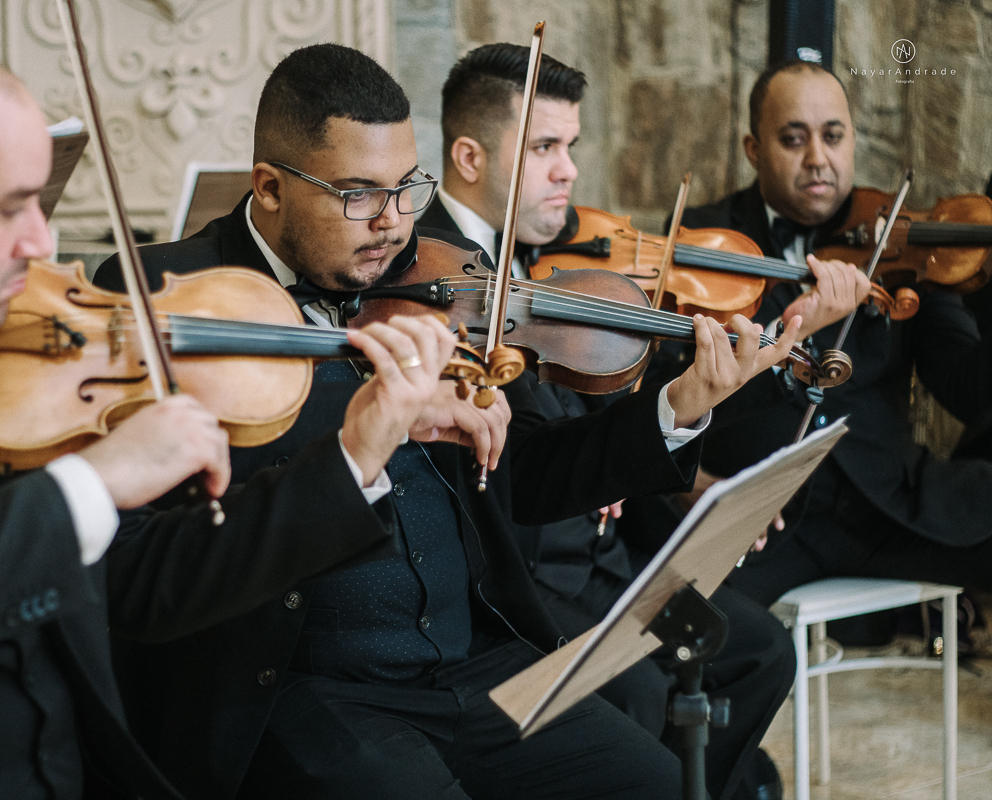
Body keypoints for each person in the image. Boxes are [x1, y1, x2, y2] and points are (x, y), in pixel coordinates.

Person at [95, 43, 801, 800]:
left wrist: (680, 406)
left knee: (659, 788)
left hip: (473, 663)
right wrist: (378, 418)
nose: (394, 224)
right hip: (303, 687)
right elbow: (157, 549)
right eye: (359, 195)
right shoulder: (166, 293)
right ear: (269, 186)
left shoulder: (438, 272)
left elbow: (528, 475)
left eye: (407, 188)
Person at [0, 29, 471, 799]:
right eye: (13, 208)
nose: (42, 244)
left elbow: (148, 586)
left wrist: (355, 453)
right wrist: (89, 483)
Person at [421, 42, 803, 800]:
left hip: (599, 556)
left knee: (759, 647)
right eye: (544, 147)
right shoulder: (426, 280)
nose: (568, 169)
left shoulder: (536, 261)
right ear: (468, 155)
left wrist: (719, 389)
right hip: (519, 573)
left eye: (571, 146)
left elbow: (610, 399)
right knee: (638, 696)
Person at [679, 59, 992, 607]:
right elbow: (681, 390)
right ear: (755, 150)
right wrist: (792, 326)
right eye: (793, 139)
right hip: (763, 525)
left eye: (833, 136)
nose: (818, 159)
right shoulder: (706, 243)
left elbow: (967, 389)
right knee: (689, 628)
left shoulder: (903, 243)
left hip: (892, 505)